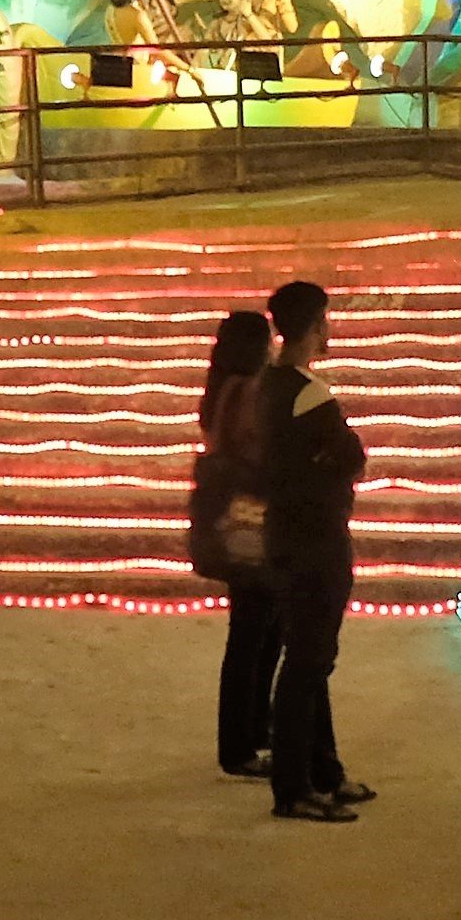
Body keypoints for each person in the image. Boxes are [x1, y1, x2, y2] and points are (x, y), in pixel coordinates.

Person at [243, 277, 369, 820]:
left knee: (306, 657)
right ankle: (295, 787)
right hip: (316, 539)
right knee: (309, 663)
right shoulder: (312, 394)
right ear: (315, 326)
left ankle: (324, 770)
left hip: (282, 535)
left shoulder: (267, 387)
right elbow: (353, 456)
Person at [185, 307, 284, 782]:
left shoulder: (219, 390)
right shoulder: (247, 392)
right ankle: (240, 745)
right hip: (254, 525)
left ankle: (253, 730)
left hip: (237, 524)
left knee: (256, 631)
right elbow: (256, 448)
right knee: (253, 635)